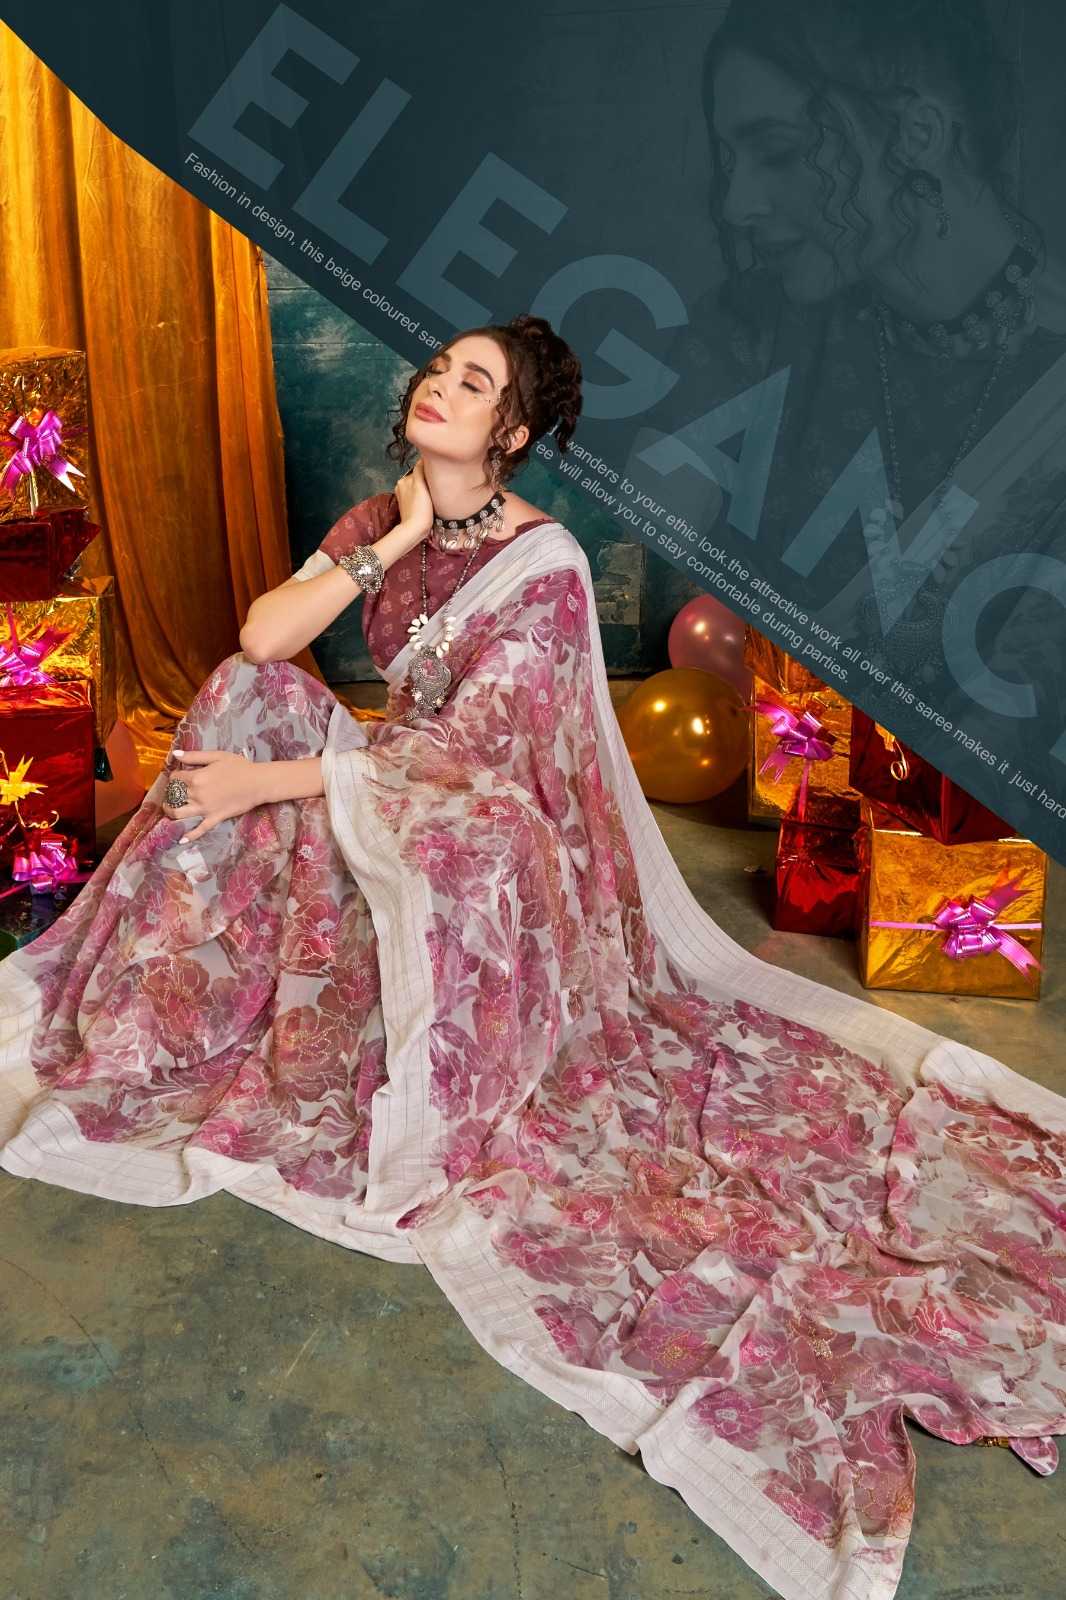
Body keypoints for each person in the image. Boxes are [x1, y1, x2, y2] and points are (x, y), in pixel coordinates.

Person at [0, 309, 1063, 1600]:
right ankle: (155, 1012)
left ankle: (363, 1011)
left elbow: (476, 767)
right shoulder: (383, 519)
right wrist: (388, 539)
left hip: (493, 836)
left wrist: (269, 785)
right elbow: (268, 641)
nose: (439, 389)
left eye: (473, 384)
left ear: (509, 433)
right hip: (393, 785)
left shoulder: (543, 566)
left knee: (429, 816)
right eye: (437, 370)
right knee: (240, 691)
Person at [678, 0, 1066, 755]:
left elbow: (1007, 739)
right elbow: (626, 569)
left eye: (780, 153)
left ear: (918, 135)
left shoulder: (1052, 386)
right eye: (731, 160)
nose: (738, 204)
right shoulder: (752, 323)